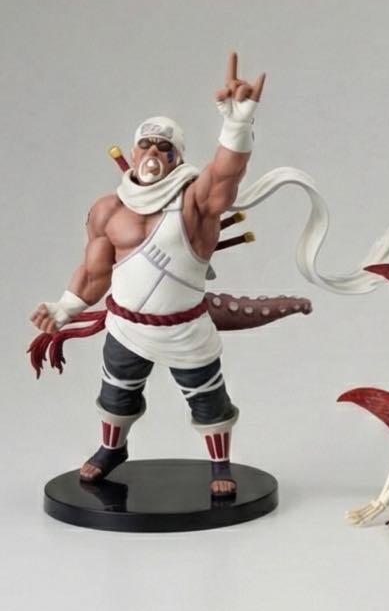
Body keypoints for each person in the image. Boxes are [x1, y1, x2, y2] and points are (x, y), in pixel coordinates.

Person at [31, 53, 265, 495]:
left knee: (208, 399)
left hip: (185, 328)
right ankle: (112, 450)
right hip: (125, 327)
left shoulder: (194, 202)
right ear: (133, 151)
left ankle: (220, 464)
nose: (154, 154)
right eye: (147, 145)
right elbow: (94, 271)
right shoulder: (108, 208)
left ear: (177, 158)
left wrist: (237, 124)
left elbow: (224, 175)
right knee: (116, 395)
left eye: (165, 148)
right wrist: (64, 307)